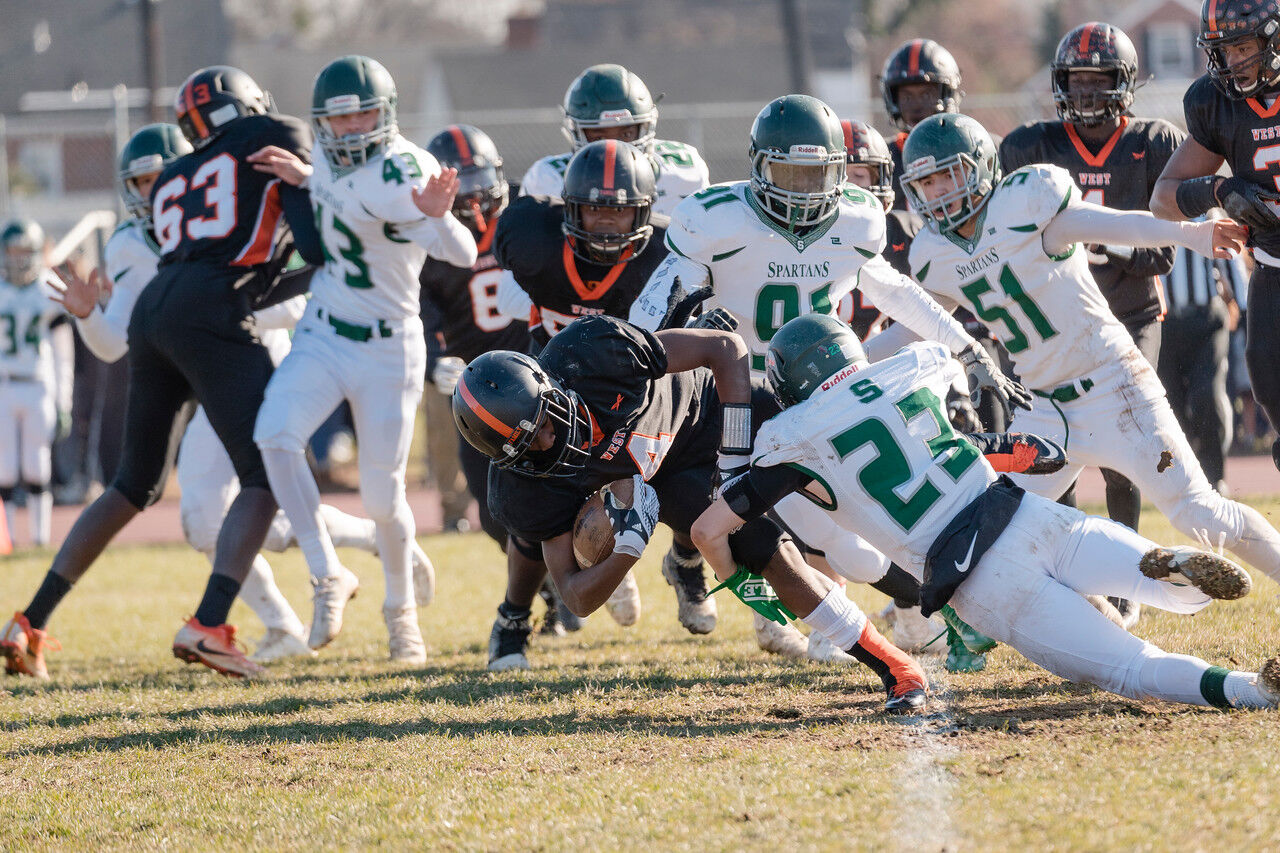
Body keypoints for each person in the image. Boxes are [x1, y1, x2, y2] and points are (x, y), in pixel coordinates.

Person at [692, 313, 1280, 711]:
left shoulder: (791, 437)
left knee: (1130, 668)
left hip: (976, 573)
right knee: (1169, 591)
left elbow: (708, 528)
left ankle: (1250, 689)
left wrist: (737, 576)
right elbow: (944, 434)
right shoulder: (908, 369)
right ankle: (1169, 567)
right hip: (1026, 512)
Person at [629, 95, 1029, 662]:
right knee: (812, 534)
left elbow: (896, 292)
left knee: (860, 531)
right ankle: (876, 622)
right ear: (759, 168)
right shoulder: (714, 218)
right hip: (739, 399)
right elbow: (650, 315)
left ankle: (932, 613)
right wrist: (693, 327)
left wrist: (967, 348)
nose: (803, 191)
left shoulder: (855, 219)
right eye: (789, 174)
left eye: (816, 174)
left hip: (821, 396)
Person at [1, 65, 324, 679]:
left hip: (158, 312)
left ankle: (29, 620)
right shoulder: (276, 135)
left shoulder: (179, 175)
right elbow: (315, 246)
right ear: (248, 106)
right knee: (266, 471)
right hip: (212, 312)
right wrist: (315, 199)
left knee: (132, 484)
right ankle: (209, 623)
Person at [878, 111, 1280, 589]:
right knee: (994, 529)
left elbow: (1113, 225)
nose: (940, 192)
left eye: (950, 175)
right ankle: (1103, 604)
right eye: (927, 184)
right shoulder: (933, 254)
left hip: (1114, 385)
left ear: (982, 167)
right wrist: (841, 358)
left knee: (1199, 513)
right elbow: (913, 328)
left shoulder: (1025, 203)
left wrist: (1190, 234)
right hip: (1045, 409)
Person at [46, 123, 400, 664]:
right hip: (200, 370)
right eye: (140, 184)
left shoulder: (240, 200)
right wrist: (90, 314)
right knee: (203, 517)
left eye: (157, 179)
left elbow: (295, 298)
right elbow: (115, 342)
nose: (151, 193)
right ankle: (285, 620)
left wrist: (221, 307)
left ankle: (349, 556)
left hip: (249, 362)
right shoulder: (129, 243)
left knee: (264, 493)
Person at [453, 314, 929, 712]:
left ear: (551, 387)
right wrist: (627, 550)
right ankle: (895, 665)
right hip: (668, 481)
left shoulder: (592, 352)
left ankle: (939, 557)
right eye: (527, 447)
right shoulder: (522, 488)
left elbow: (725, 346)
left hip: (708, 414)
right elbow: (576, 598)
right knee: (762, 547)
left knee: (836, 448)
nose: (548, 443)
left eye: (546, 423)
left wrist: (734, 458)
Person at [252, 55, 470, 662]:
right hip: (324, 328)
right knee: (274, 434)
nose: (350, 129)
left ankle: (400, 611)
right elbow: (335, 190)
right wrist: (304, 177)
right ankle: (327, 573)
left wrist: (439, 217)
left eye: (363, 116)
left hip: (387, 345)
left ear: (386, 114)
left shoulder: (406, 169)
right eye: (339, 119)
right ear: (322, 122)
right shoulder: (322, 159)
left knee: (381, 497)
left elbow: (461, 250)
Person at [1001, 25, 1186, 622]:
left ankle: (1127, 579)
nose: (1085, 92)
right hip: (1056, 329)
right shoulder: (1032, 146)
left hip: (1129, 316)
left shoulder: (1153, 143)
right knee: (1052, 453)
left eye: (1098, 79)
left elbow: (1161, 254)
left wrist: (1103, 245)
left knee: (1123, 448)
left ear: (1122, 84)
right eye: (1076, 80)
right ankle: (1074, 575)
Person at [495, 138, 702, 635]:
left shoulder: (667, 254)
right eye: (594, 209)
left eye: (621, 211)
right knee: (536, 504)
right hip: (548, 390)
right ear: (570, 208)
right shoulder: (533, 237)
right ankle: (513, 619)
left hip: (629, 395)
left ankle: (686, 562)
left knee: (690, 468)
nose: (607, 223)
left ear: (645, 212)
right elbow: (502, 294)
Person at [1151, 0, 1280, 472]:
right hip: (1273, 270)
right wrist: (1218, 189)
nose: (1233, 62)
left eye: (1243, 47)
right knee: (1270, 386)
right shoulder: (1217, 103)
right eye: (1224, 51)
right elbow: (1162, 199)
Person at [520, 63, 709, 217]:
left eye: (626, 134)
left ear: (646, 127)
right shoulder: (548, 179)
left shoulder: (684, 171)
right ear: (575, 132)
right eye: (599, 137)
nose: (614, 148)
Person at [1158, 220, 1244, 493]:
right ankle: (1183, 479)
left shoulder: (1207, 212)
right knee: (1170, 404)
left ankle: (1214, 477)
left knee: (1206, 393)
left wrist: (1244, 309)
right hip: (1165, 325)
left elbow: (1231, 261)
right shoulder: (1150, 213)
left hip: (1206, 321)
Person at [0, 218, 68, 547]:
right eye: (13, 252)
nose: (18, 259)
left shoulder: (48, 288)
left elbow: (63, 354)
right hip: (4, 385)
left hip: (38, 384)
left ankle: (41, 538)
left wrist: (63, 401)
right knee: (5, 468)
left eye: (25, 251)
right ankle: (8, 538)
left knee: (37, 464)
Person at [880, 39, 964, 211]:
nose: (916, 106)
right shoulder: (882, 158)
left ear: (948, 93)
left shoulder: (975, 147)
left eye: (926, 95)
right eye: (907, 97)